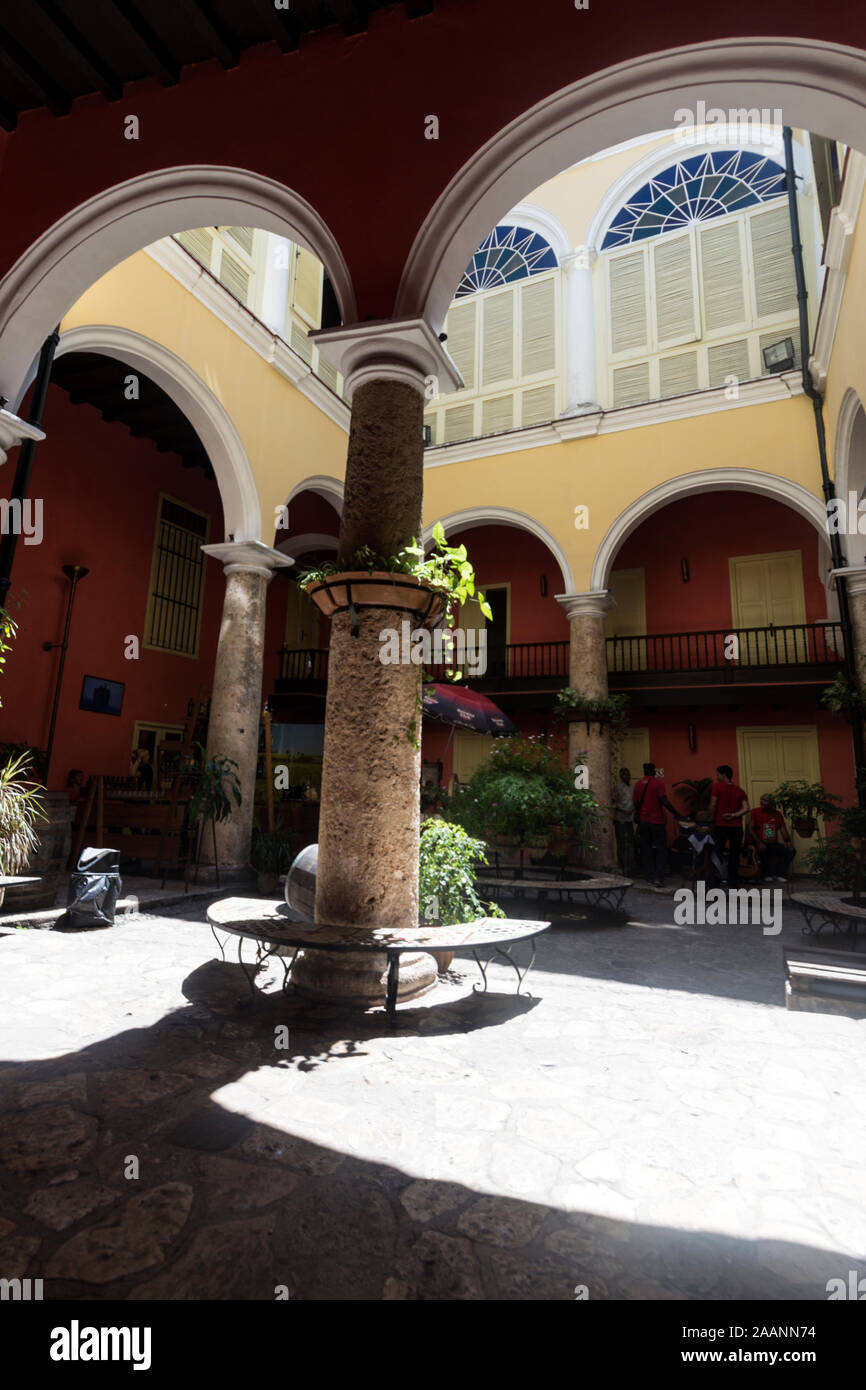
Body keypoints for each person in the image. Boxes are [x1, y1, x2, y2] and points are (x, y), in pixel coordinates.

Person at [633, 762, 678, 887]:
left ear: (644, 771)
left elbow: (636, 803)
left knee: (646, 849)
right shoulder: (658, 783)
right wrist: (676, 813)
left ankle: (648, 877)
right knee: (661, 850)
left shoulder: (637, 785)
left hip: (643, 822)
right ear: (653, 771)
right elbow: (664, 801)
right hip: (657, 822)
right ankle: (658, 877)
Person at [708, 764, 750, 887]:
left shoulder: (717, 787)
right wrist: (733, 815)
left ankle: (715, 882)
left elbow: (713, 804)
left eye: (718, 774)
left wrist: (711, 820)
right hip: (736, 827)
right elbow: (746, 808)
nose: (717, 777)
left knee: (717, 852)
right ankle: (733, 882)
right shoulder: (739, 790)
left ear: (723, 775)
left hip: (721, 825)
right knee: (734, 855)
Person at [748, 793, 793, 882]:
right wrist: (759, 843)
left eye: (765, 800)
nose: (761, 802)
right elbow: (750, 829)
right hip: (757, 842)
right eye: (761, 799)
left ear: (771, 803)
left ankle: (779, 874)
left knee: (790, 850)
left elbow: (783, 829)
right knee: (764, 849)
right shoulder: (755, 812)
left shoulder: (777, 814)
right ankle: (766, 874)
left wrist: (787, 841)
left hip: (772, 843)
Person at [612, 766, 635, 874]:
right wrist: (622, 810)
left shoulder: (632, 787)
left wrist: (632, 810)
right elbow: (613, 802)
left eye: (628, 774)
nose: (627, 776)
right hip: (620, 817)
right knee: (621, 842)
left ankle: (630, 865)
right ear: (621, 776)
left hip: (630, 818)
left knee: (630, 841)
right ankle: (621, 865)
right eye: (625, 774)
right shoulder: (618, 788)